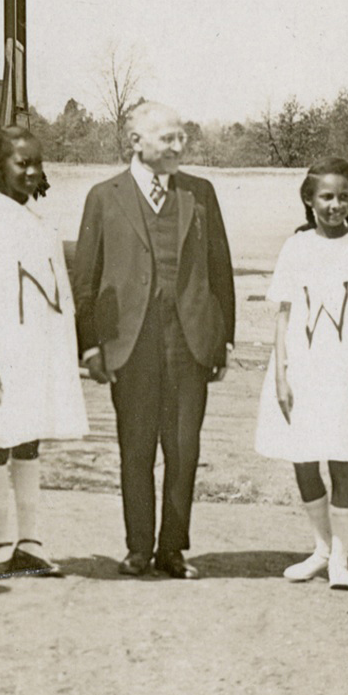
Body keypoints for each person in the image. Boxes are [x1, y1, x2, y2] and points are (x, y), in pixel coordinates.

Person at [72, 101, 236, 580]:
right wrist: (90, 344)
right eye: (167, 138)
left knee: (184, 449)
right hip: (131, 343)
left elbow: (220, 268)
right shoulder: (105, 197)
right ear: (136, 142)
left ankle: (172, 549)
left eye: (181, 136)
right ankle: (139, 547)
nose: (178, 146)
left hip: (188, 341)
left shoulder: (200, 194)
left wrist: (222, 339)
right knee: (136, 449)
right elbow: (86, 277)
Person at [254, 158, 348, 591]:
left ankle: (341, 557)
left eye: (343, 196)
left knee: (341, 458)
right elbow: (284, 315)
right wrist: (281, 375)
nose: (335, 205)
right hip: (304, 370)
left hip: (347, 370)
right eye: (326, 197)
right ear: (308, 199)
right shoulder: (296, 247)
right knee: (302, 458)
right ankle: (320, 547)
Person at [0, 120, 87, 576]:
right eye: (22, 163)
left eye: (37, 163)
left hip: (38, 344)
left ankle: (30, 540)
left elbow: (58, 288)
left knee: (29, 437)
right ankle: (1, 543)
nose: (32, 172)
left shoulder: (40, 218)